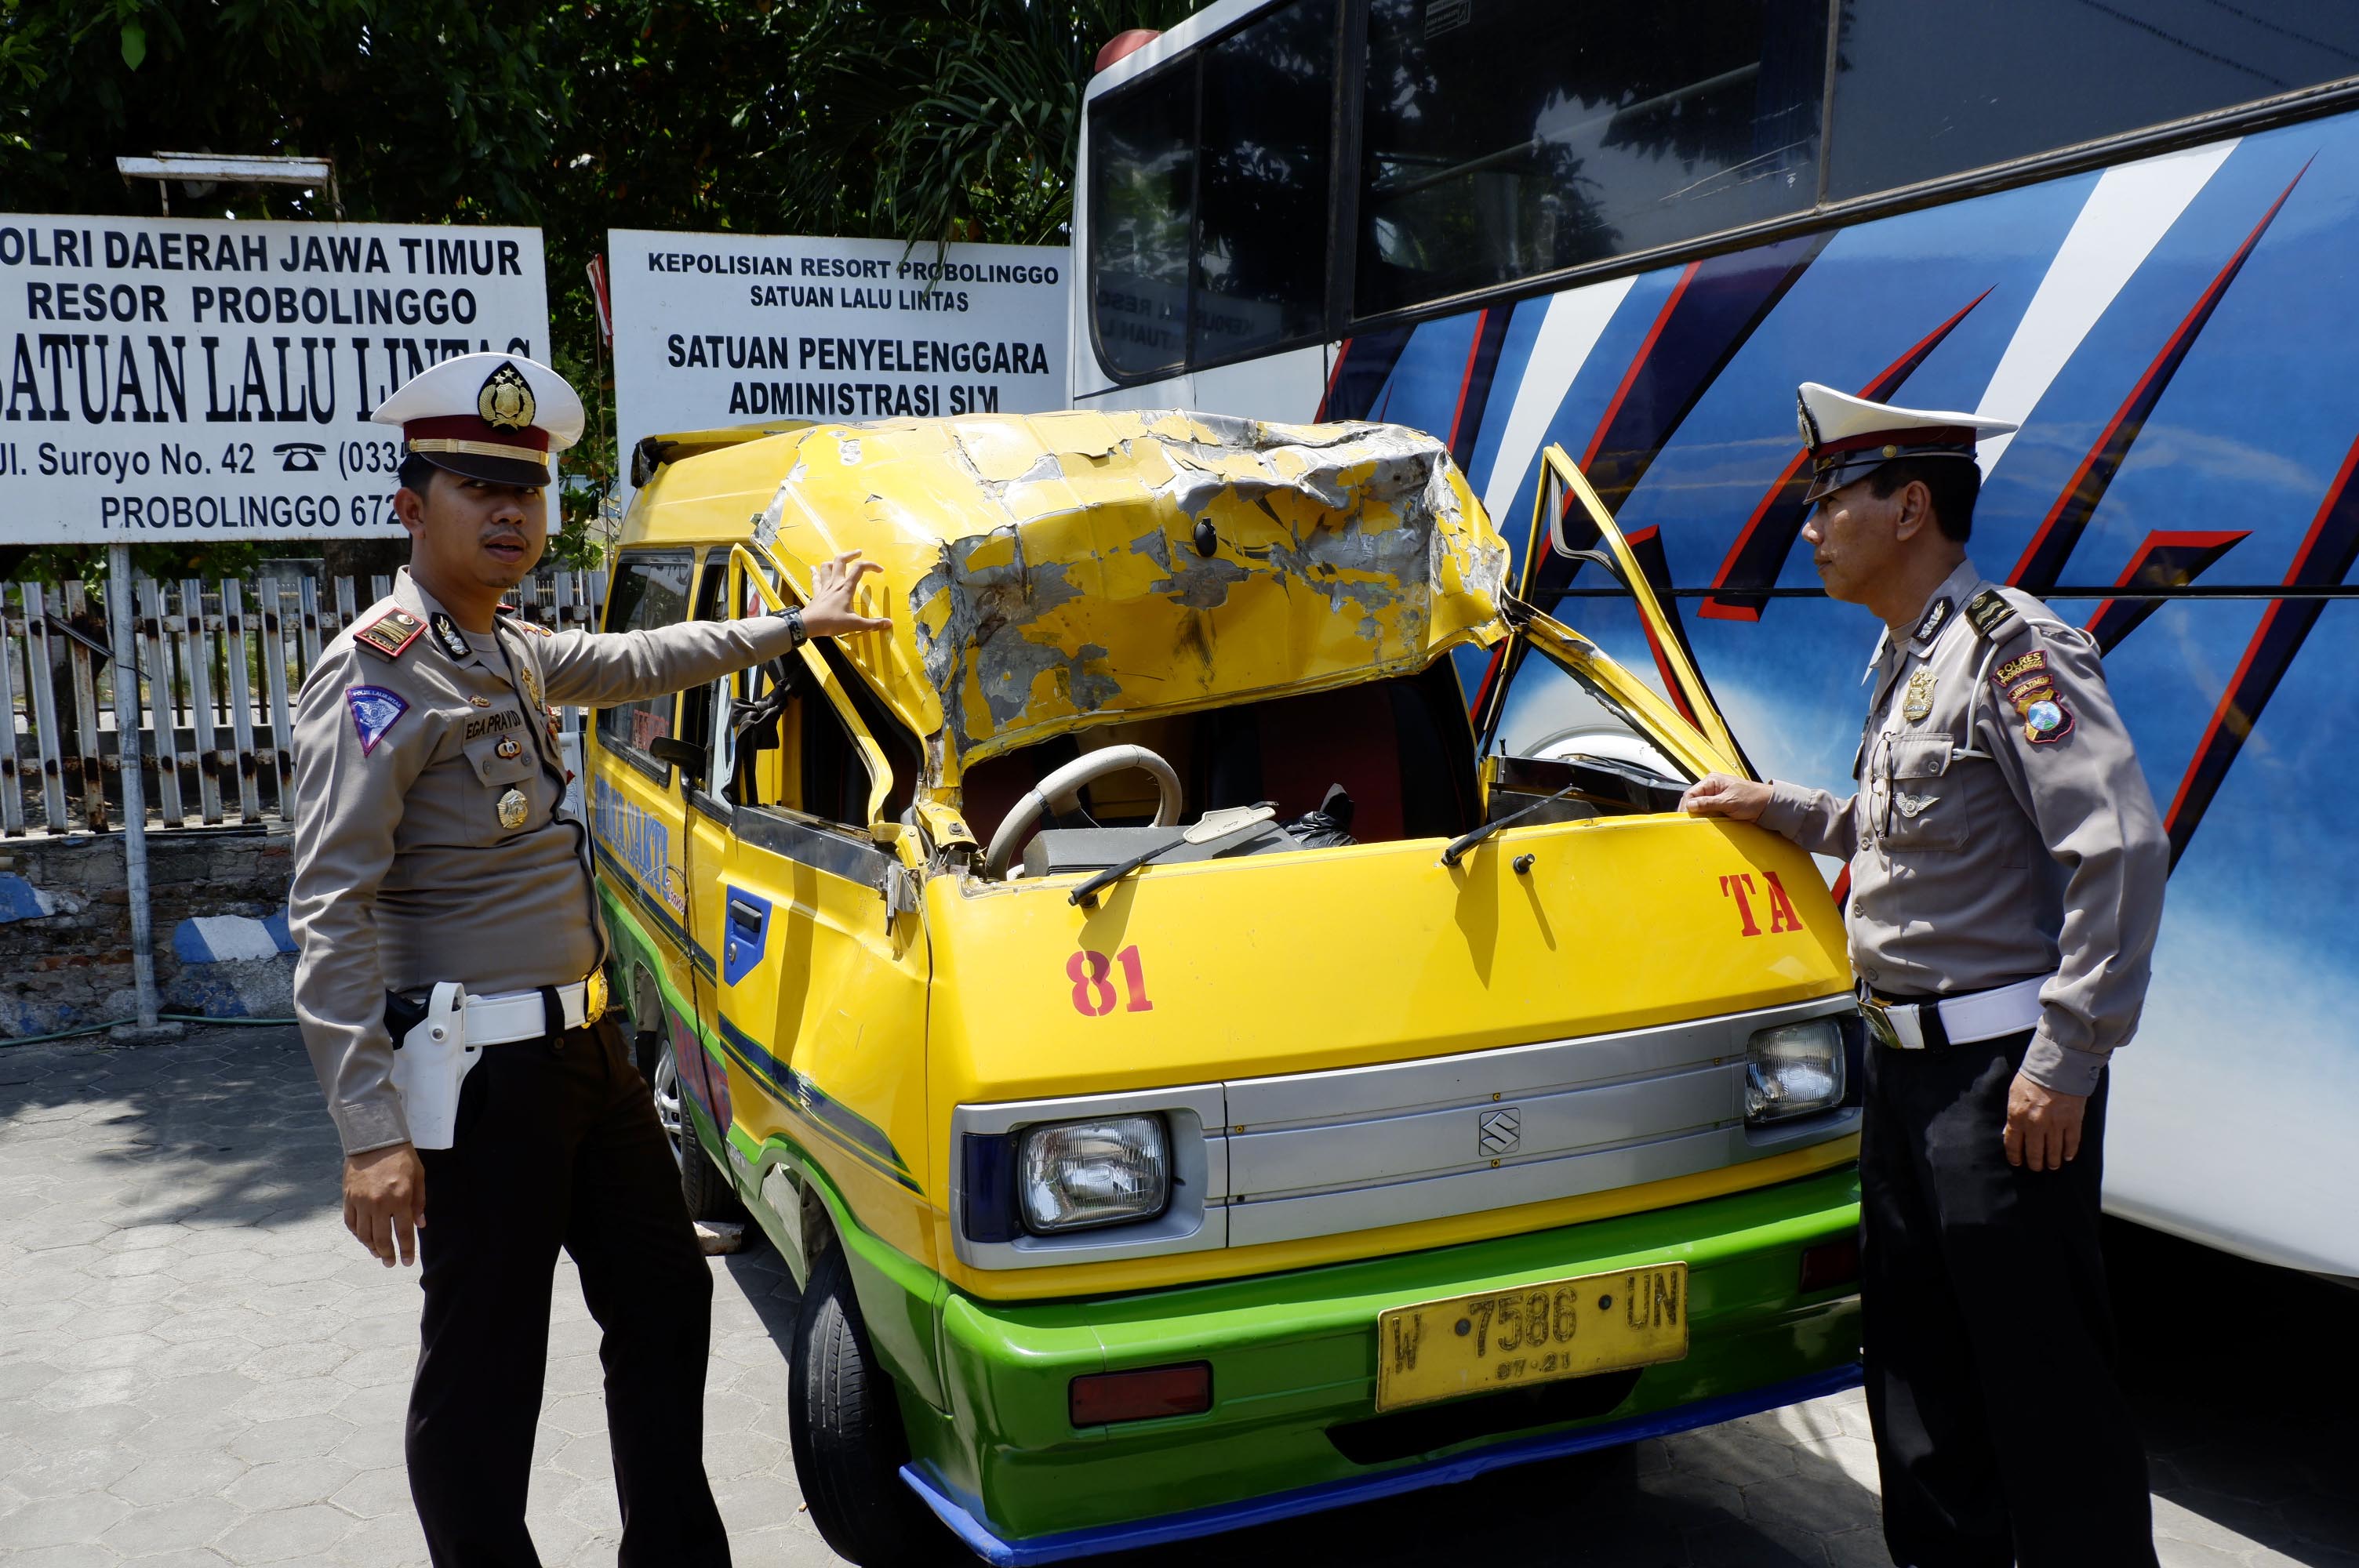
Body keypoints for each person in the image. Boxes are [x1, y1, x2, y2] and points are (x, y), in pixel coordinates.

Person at [288, 351, 889, 1567]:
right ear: (412, 506)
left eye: (528, 491)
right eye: (477, 489)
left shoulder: (500, 646)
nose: (511, 514)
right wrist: (368, 1134)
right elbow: (328, 907)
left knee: (667, 1304)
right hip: (482, 1082)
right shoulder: (381, 673)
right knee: (486, 1377)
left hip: (590, 1056)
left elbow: (634, 663)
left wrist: (792, 626)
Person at [1681, 383, 2168, 1567]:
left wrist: (2065, 1060)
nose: (1809, 528)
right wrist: (1785, 811)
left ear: (1907, 508)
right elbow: (1916, 827)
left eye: (1827, 501)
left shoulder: (2016, 653)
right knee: (1918, 1394)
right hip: (1903, 1084)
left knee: (2047, 1402)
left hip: (2003, 1092)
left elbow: (2121, 849)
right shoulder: (1910, 661)